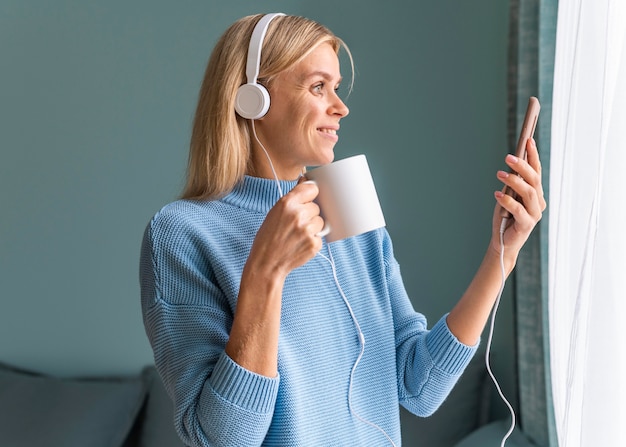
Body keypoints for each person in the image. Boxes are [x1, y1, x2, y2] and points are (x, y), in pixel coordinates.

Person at [139, 13, 546, 447]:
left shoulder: (345, 202)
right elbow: (226, 438)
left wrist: (501, 254)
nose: (340, 106)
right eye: (318, 87)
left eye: (336, 87)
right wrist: (265, 275)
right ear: (252, 97)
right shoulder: (181, 233)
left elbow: (419, 387)